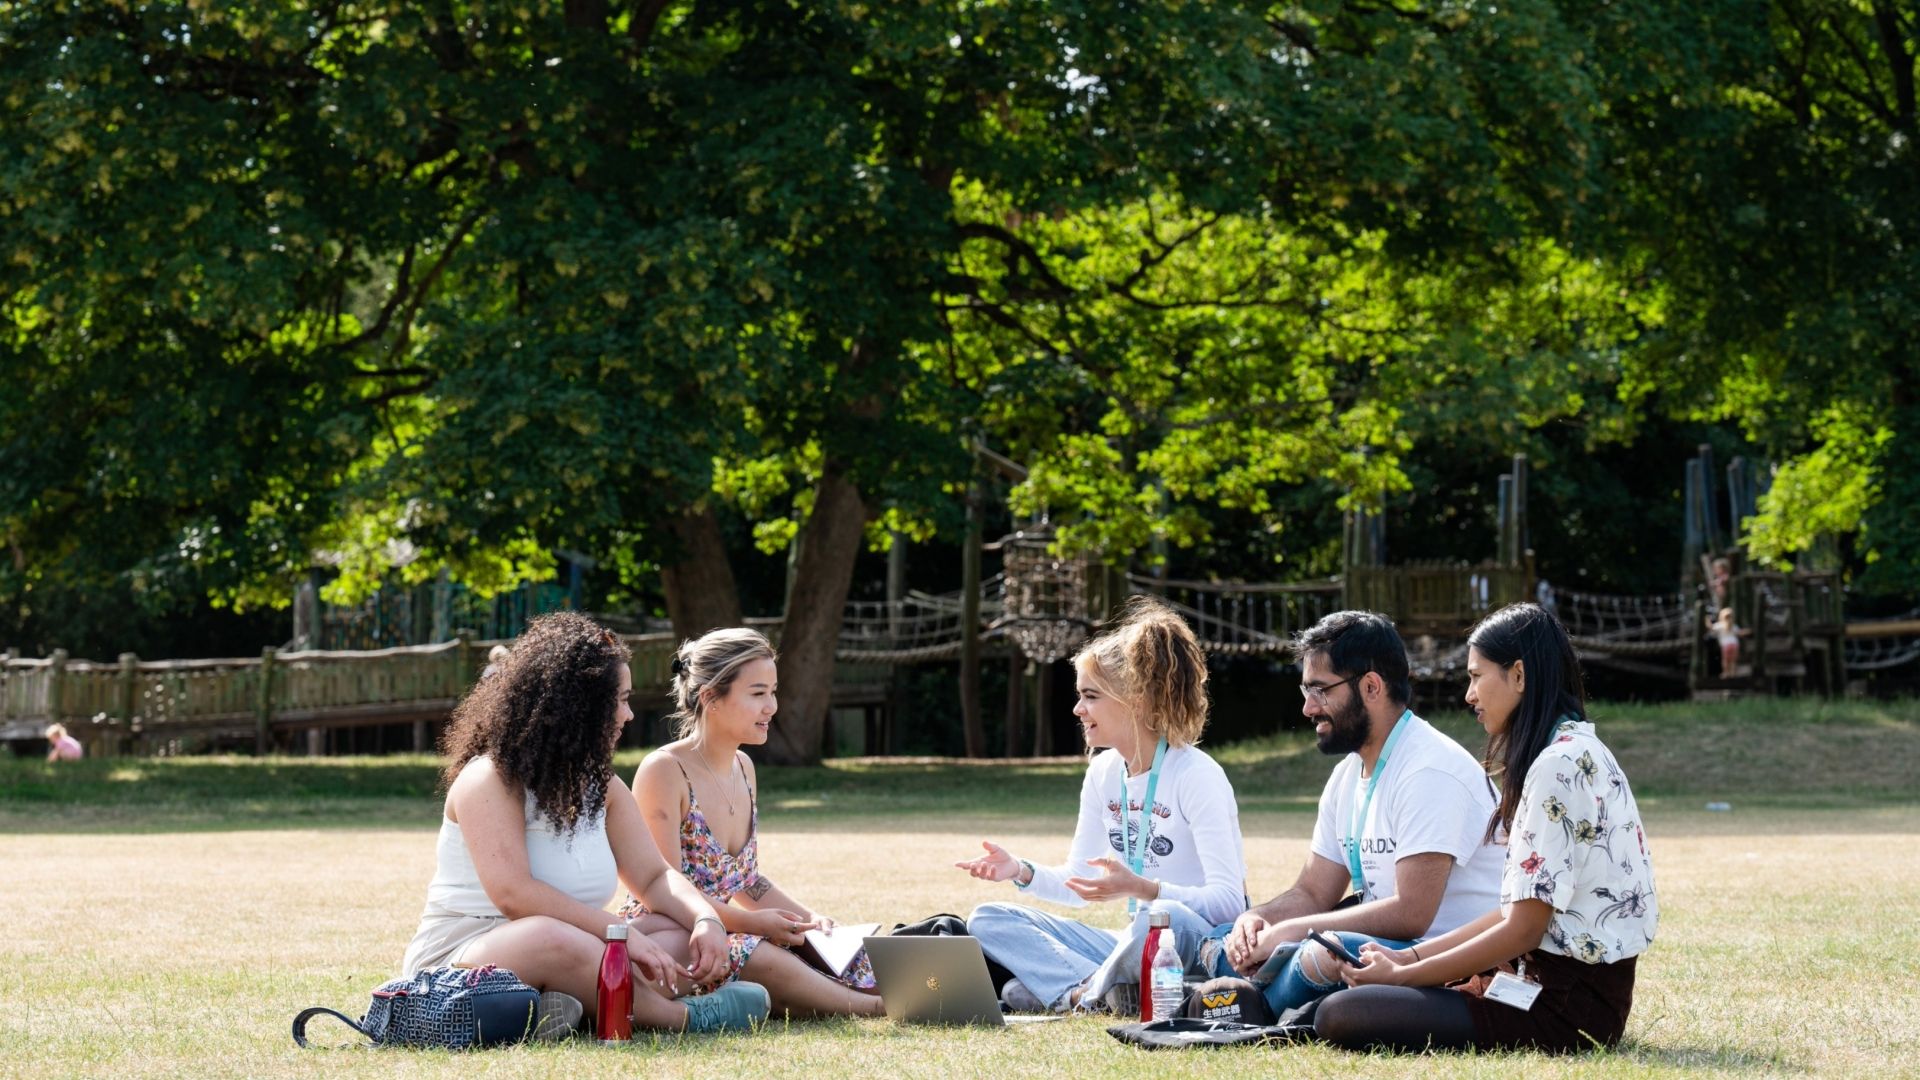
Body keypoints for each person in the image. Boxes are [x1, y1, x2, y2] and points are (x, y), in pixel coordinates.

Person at [399, 612, 769, 1035]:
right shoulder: (489, 778)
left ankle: (560, 1007)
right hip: (461, 963)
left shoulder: (604, 788)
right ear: (576, 707)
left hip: (581, 948)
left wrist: (706, 920)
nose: (629, 715)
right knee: (549, 937)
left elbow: (653, 877)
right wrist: (620, 937)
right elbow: (514, 895)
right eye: (620, 700)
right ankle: (685, 1017)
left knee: (671, 928)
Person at [1313, 602, 1658, 1053]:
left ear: (1518, 675)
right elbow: (1518, 911)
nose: (1468, 695)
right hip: (1542, 979)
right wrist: (1407, 957)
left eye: (1477, 676)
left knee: (1342, 1014)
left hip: (1565, 1005)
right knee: (1355, 999)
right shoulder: (1570, 750)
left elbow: (1522, 930)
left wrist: (1403, 974)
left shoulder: (1557, 765)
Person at [958, 596, 1247, 1014]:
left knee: (1159, 914)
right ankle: (1093, 990)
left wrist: (1144, 889)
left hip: (1191, 943)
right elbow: (1080, 882)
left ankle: (1079, 991)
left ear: (1138, 701)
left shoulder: (1196, 774)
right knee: (988, 918)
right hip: (1130, 942)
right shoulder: (1103, 773)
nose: (1078, 709)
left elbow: (1229, 905)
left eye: (1091, 696)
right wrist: (1021, 871)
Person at [1208, 610, 1504, 1017]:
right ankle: (1235, 988)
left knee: (1325, 952)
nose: (1308, 708)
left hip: (1443, 960)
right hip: (1382, 948)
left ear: (1370, 686)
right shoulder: (1346, 775)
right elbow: (1313, 892)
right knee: (1226, 934)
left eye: (1321, 691)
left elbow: (1412, 913)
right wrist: (1258, 919)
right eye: (1305, 690)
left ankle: (1240, 1003)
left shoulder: (1430, 770)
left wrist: (1293, 931)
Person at [624, 627, 885, 1018]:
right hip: (674, 932)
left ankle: (867, 990)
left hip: (734, 926)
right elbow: (663, 890)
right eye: (758, 693)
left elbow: (747, 882)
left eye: (773, 692)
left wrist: (808, 919)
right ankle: (875, 1008)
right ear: (711, 697)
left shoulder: (744, 768)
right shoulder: (664, 770)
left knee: (849, 954)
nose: (772, 706)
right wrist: (751, 923)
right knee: (756, 952)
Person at [1708, 606, 1743, 675]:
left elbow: (1711, 628)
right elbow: (1740, 633)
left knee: (1725, 660)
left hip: (1726, 646)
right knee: (1733, 661)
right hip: (1734, 645)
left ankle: (1726, 673)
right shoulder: (1734, 625)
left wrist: (1707, 620)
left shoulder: (1720, 625)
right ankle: (1732, 673)